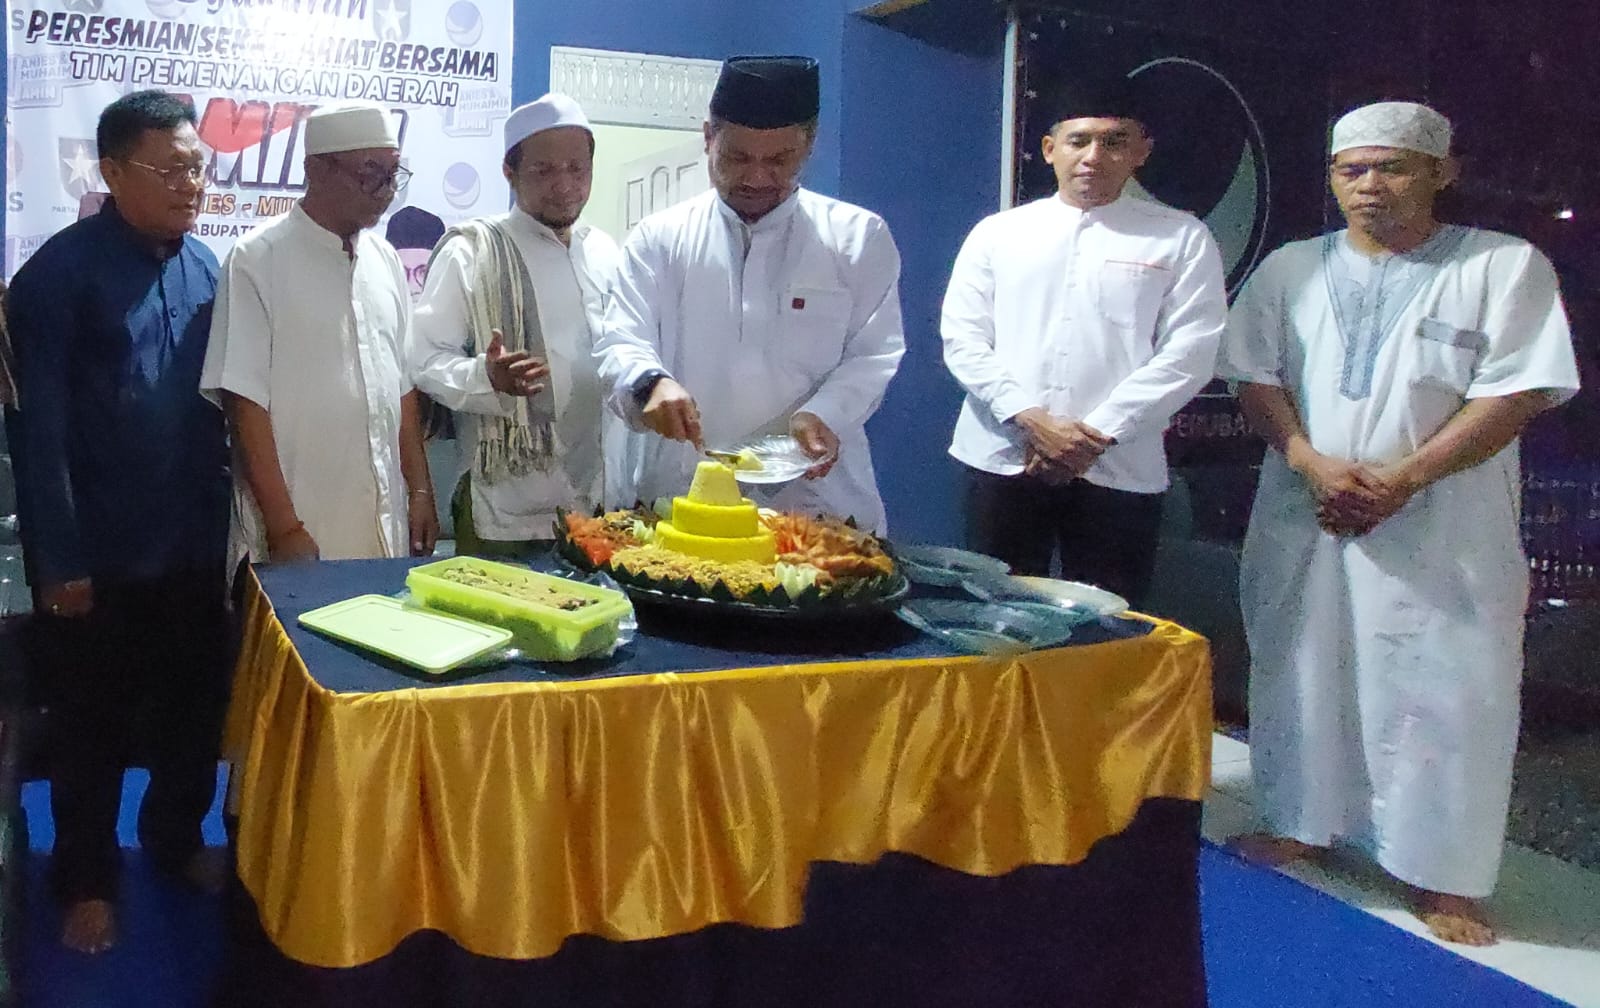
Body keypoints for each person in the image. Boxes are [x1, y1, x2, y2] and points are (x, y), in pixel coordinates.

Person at [1217, 101, 1580, 945]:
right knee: (1302, 668)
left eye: (1393, 167)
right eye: (1353, 169)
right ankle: (1299, 820)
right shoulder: (1291, 269)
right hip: (1308, 511)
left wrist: (1406, 479)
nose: (1370, 185)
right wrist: (1310, 461)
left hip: (1444, 527)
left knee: (1448, 688)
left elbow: (1517, 389)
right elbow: (1252, 375)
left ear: (1442, 173)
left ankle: (1441, 872)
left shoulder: (1501, 266)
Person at [4, 90, 231, 953]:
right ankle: (85, 880)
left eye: (197, 168)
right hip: (96, 558)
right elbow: (39, 434)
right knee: (91, 725)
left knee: (191, 715)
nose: (190, 185)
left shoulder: (207, 267)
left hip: (193, 546)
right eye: (169, 169)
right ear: (110, 171)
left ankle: (173, 843)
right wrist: (58, 563)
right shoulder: (56, 278)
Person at [940, 75, 1227, 606]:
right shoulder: (998, 233)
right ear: (1050, 149)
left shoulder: (1181, 236)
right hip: (1002, 455)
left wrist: (1094, 435)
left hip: (1119, 465)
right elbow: (963, 339)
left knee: (1109, 623)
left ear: (1141, 152)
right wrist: (1031, 420)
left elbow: (1191, 352)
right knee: (991, 614)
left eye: (1114, 141)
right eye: (1079, 140)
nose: (1094, 156)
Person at [595, 56, 905, 531]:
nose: (757, 178)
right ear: (708, 138)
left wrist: (824, 414)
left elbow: (874, 355)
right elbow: (620, 340)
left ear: (810, 144)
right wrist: (650, 384)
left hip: (815, 507)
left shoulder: (856, 239)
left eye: (779, 160)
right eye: (737, 158)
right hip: (683, 499)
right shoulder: (659, 239)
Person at [202, 102, 437, 564]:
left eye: (393, 174)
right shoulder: (257, 259)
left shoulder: (385, 259)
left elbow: (402, 388)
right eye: (370, 174)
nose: (386, 190)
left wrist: (420, 491)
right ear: (316, 170)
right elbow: (244, 404)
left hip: (385, 528)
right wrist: (284, 527)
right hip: (299, 531)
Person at [411, 93, 622, 555]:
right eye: (544, 170)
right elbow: (423, 361)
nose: (564, 185)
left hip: (596, 506)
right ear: (510, 172)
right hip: (505, 507)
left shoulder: (605, 252)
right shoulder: (472, 251)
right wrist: (486, 378)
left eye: (577, 169)